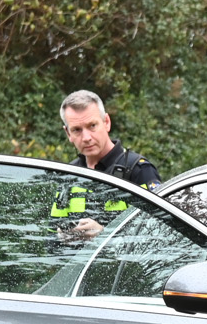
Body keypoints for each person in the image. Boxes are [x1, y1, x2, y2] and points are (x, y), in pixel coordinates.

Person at [60, 89, 159, 239]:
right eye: (77, 130)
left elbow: (160, 237)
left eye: (92, 126)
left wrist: (104, 235)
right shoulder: (68, 176)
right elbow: (50, 244)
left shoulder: (139, 171)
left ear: (107, 122)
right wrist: (64, 238)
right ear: (68, 134)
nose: (86, 137)